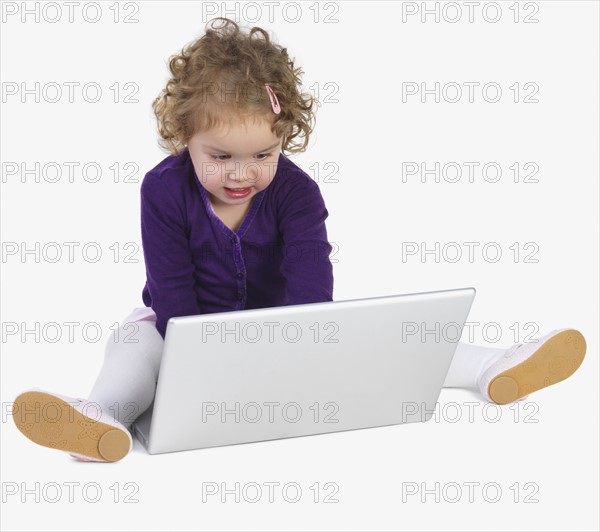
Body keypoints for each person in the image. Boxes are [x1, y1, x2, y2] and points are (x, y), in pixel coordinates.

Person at [11, 17, 586, 463]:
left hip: (280, 330)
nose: (243, 174)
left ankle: (496, 365)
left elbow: (312, 281)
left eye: (263, 155)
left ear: (286, 136)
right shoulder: (163, 190)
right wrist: (201, 364)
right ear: (183, 137)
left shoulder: (297, 193)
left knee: (385, 340)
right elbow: (171, 286)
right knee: (132, 351)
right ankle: (102, 419)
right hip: (175, 331)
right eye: (221, 157)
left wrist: (297, 348)